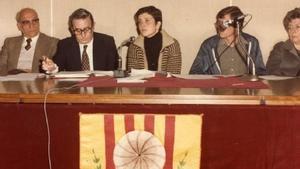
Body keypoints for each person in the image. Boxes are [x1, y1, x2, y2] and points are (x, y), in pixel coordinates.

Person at [189, 6, 266, 75]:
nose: (219, 27)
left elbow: (260, 72)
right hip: (217, 89)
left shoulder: (252, 43)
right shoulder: (209, 45)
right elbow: (195, 72)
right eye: (218, 23)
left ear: (237, 25)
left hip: (244, 89)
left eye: (223, 24)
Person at [43, 8, 118, 72]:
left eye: (86, 29)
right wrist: (52, 68)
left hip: (101, 87)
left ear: (93, 26)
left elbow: (114, 70)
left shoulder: (107, 43)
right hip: (75, 87)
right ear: (72, 29)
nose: (83, 35)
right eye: (78, 30)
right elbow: (56, 67)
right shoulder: (64, 45)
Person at [0, 8, 58, 75]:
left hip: (38, 82)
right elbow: (2, 66)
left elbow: (55, 69)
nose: (32, 25)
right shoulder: (9, 42)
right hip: (12, 80)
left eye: (35, 21)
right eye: (26, 22)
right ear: (19, 26)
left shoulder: (53, 43)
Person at [126, 6, 182, 74]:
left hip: (166, 84)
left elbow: (173, 75)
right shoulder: (134, 46)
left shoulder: (172, 44)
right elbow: (134, 75)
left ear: (158, 24)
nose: (142, 25)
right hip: (142, 84)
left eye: (147, 20)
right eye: (140, 22)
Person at [266, 8, 300, 76]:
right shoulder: (280, 48)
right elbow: (271, 71)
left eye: (298, 27)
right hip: (286, 85)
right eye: (290, 27)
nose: (293, 31)